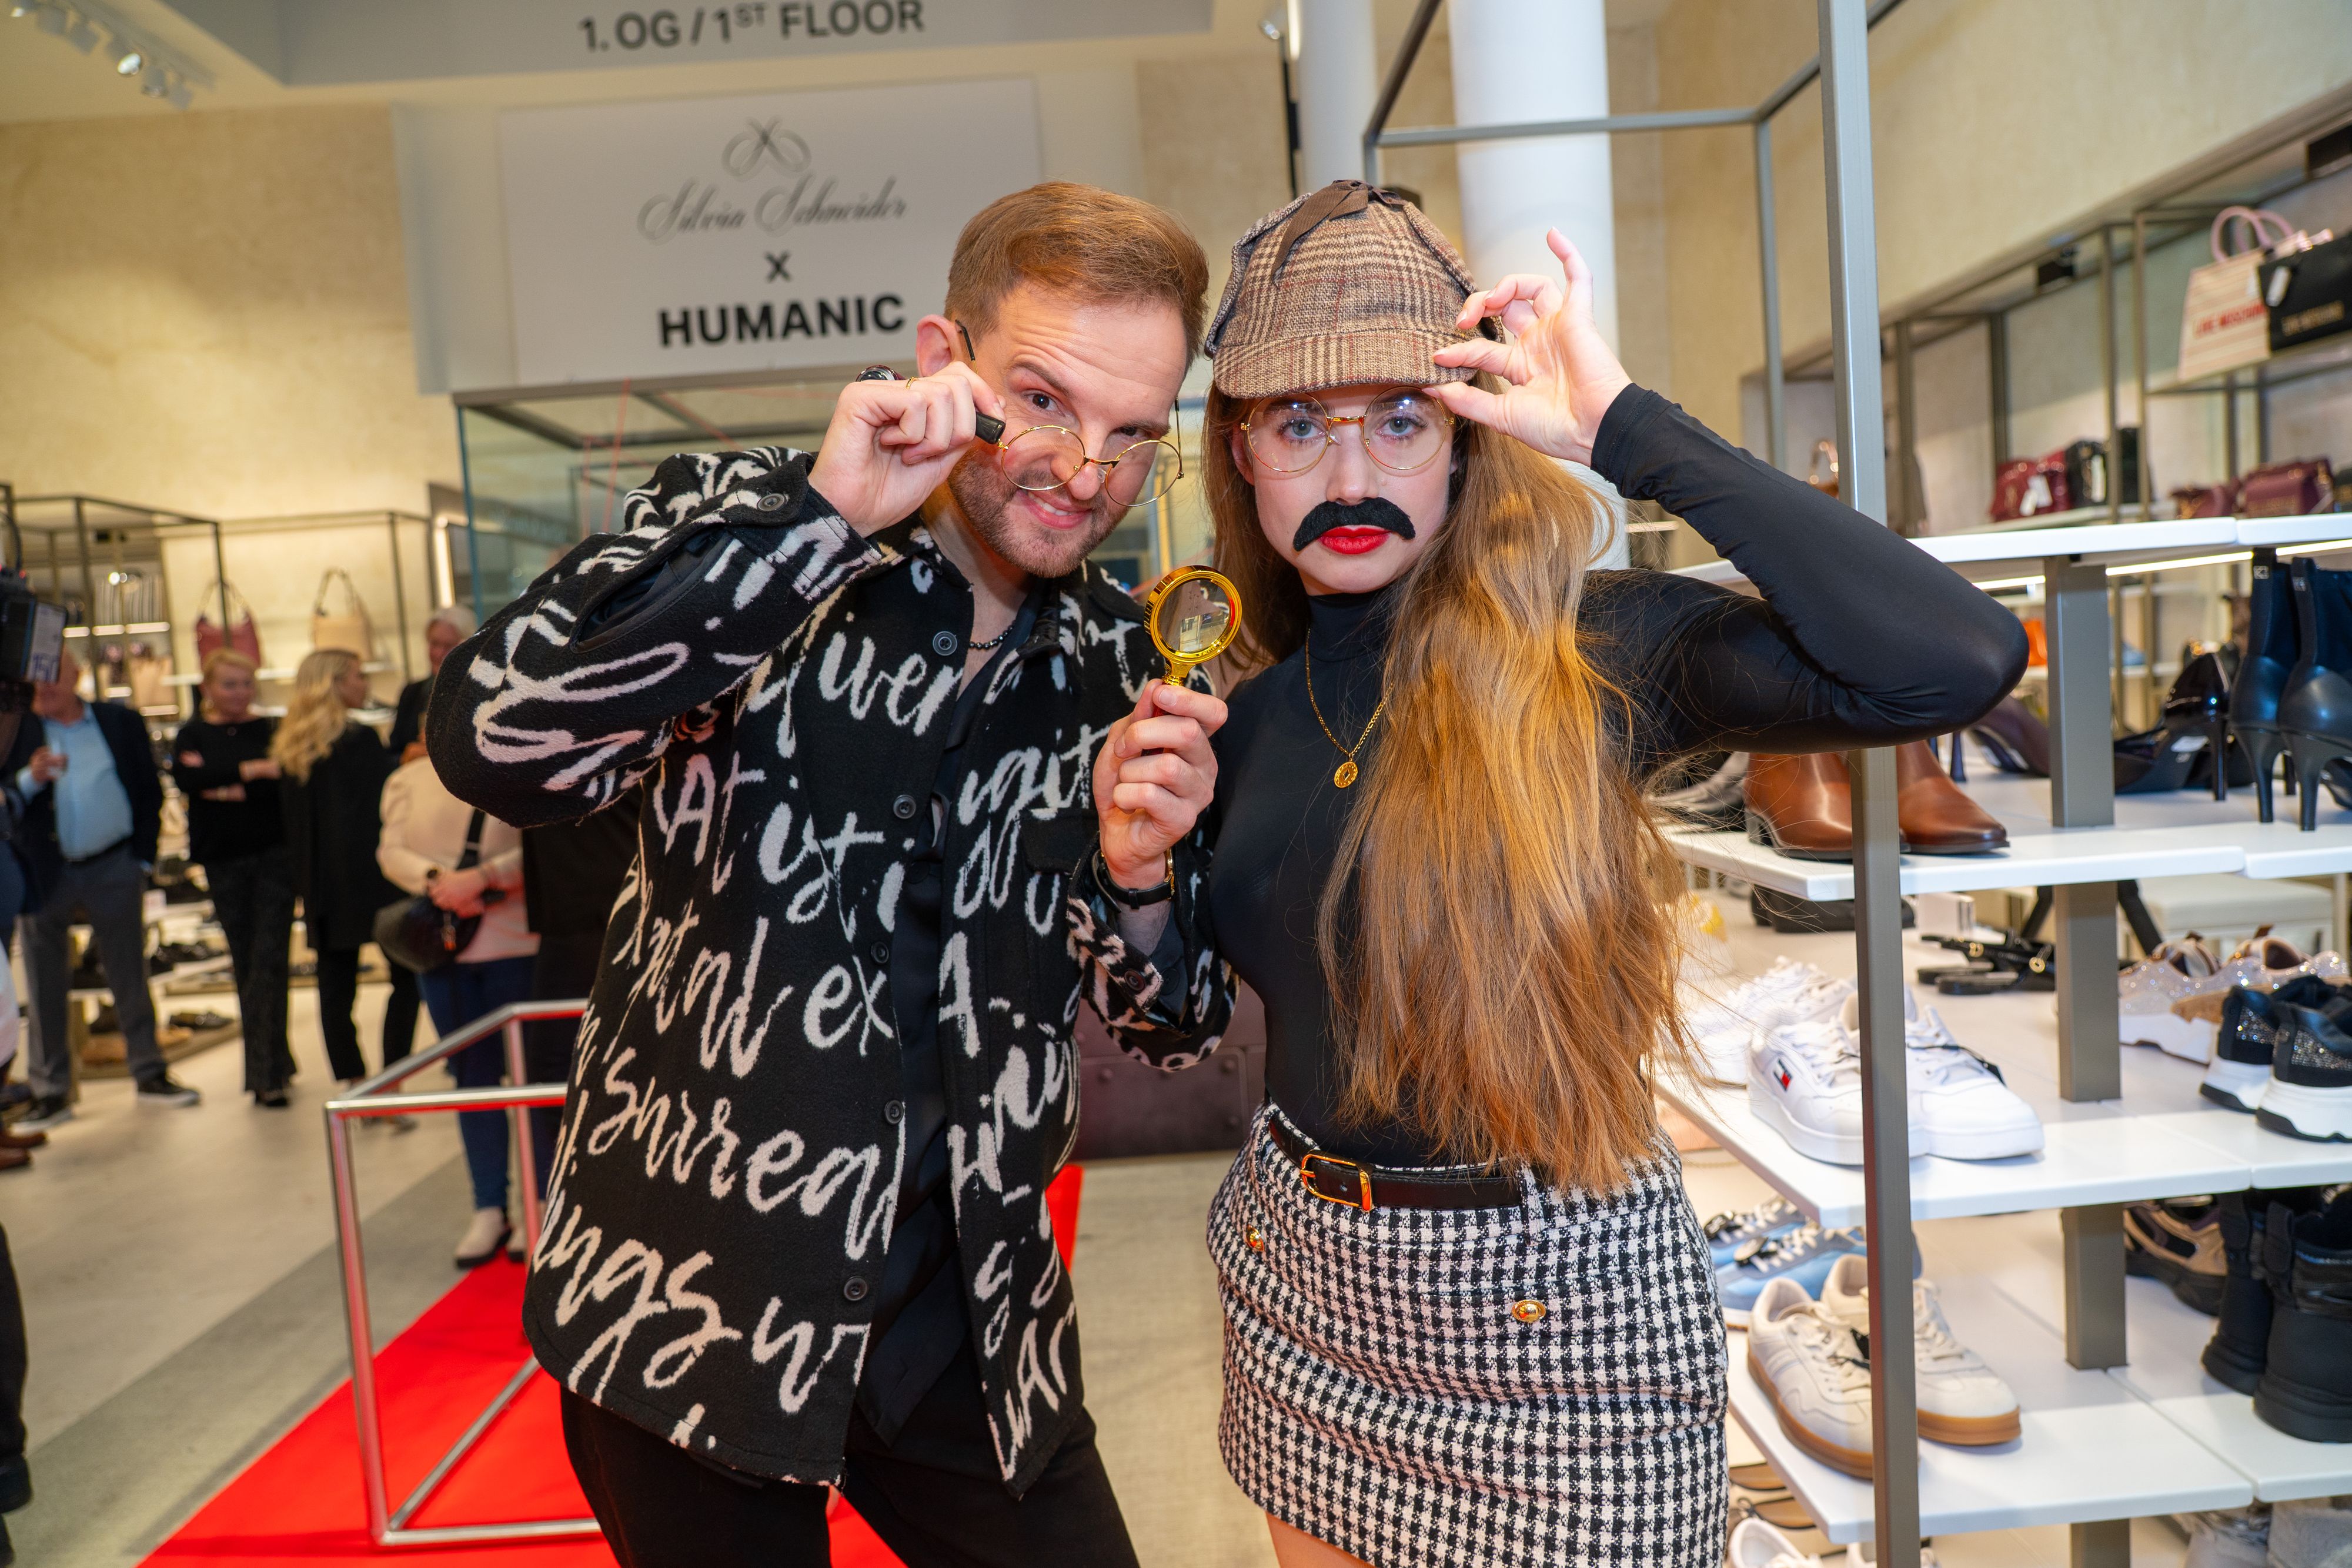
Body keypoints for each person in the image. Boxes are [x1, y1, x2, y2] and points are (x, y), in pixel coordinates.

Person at [1097, 187, 2029, 1568]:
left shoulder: (1595, 656)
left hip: (1564, 1311)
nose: (1349, 471)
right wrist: (1134, 876)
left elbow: (1950, 659)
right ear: (1240, 457)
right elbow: (1172, 1026)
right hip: (1307, 1281)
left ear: (1467, 435)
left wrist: (1622, 431)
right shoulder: (1242, 712)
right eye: (1300, 425)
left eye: (1398, 420)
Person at [427, 182, 1231, 1566]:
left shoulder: (1120, 665)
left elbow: (1172, 1026)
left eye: (1134, 435)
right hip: (690, 1310)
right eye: (1041, 400)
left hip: (972, 1335)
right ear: (942, 360)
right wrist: (814, 529)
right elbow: (493, 741)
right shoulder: (746, 526)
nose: (1084, 470)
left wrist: (1141, 881)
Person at [9, 648, 197, 1129]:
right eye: (36, 679)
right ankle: (51, 1091)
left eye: (54, 675)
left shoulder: (118, 721)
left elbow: (148, 787)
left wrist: (142, 855)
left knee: (128, 969)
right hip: (45, 870)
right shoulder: (17, 731)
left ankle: (149, 1071)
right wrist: (31, 778)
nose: (46, 686)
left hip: (113, 862)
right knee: (45, 978)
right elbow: (8, 798)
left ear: (76, 675)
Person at [377, 755, 536, 1266]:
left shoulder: (519, 764)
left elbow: (544, 844)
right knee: (473, 1080)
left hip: (518, 943)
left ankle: (540, 1201)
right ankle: (488, 1205)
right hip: (443, 949)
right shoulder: (409, 778)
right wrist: (438, 881)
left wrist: (483, 878)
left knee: (536, 1081)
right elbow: (390, 849)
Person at [272, 649, 402, 1092]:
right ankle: (393, 1077)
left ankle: (354, 1079)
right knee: (406, 975)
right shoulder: (360, 741)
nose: (364, 684)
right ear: (334, 683)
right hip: (374, 876)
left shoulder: (291, 747)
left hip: (325, 883)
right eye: (357, 676)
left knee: (336, 987)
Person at [171, 648, 295, 1107]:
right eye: (230, 684)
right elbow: (187, 780)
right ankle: (276, 1059)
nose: (240, 693)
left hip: (273, 858)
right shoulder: (192, 732)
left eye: (246, 683)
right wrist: (247, 771)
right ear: (207, 687)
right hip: (222, 860)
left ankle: (265, 1075)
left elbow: (280, 779)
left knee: (268, 960)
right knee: (246, 961)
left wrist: (218, 782)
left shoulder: (270, 728)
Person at [517, 799, 640, 1193]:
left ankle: (594, 1190)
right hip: (586, 910)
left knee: (561, 1066)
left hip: (607, 908)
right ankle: (590, 1189)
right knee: (557, 1067)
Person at [384, 605, 472, 1065]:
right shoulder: (414, 691)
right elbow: (396, 752)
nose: (438, 653)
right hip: (429, 847)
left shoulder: (481, 680)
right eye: (432, 643)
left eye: (446, 643)